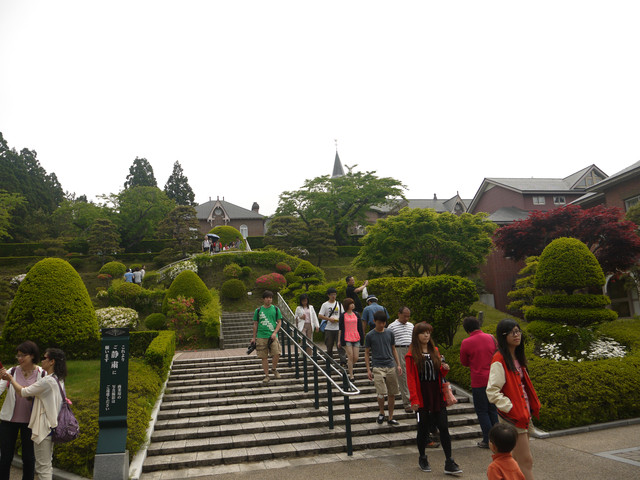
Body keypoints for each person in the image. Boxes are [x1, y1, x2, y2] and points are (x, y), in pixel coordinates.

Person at [405, 322, 462, 475]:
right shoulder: (411, 355)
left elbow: (438, 373)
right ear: (416, 335)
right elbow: (411, 378)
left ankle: (449, 461)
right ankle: (422, 457)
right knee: (423, 428)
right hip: (422, 393)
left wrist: (444, 369)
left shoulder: (434, 350)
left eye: (428, 332)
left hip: (436, 393)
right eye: (423, 332)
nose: (426, 335)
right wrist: (414, 399)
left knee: (443, 427)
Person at [1, 348, 67, 480]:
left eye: (45, 358)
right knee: (45, 465)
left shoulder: (47, 379)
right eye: (18, 355)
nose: (42, 360)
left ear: (52, 361)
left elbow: (23, 392)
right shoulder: (57, 379)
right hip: (48, 425)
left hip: (42, 426)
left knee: (41, 466)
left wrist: (11, 379)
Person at [487, 319, 540, 480]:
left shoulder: (516, 356)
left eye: (518, 331)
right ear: (503, 336)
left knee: (517, 459)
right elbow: (492, 391)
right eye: (512, 332)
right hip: (515, 415)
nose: (516, 335)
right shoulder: (499, 359)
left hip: (524, 412)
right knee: (526, 460)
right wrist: (510, 407)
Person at [0, 341, 45, 480]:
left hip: (31, 421)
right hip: (9, 420)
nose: (20, 358)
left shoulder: (42, 374)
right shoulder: (12, 371)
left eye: (23, 355)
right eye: (18, 355)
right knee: (5, 456)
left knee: (29, 457)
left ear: (32, 356)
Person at [460, 316, 499, 448]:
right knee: (493, 410)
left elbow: (464, 362)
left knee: (482, 411)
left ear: (466, 329)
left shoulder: (466, 342)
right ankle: (498, 439)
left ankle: (488, 440)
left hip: (478, 380)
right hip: (493, 378)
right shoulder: (491, 338)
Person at [364, 310, 402, 426]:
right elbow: (366, 352)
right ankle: (381, 412)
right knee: (381, 391)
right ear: (374, 321)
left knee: (392, 392)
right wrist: (368, 369)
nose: (381, 325)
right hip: (377, 366)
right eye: (379, 322)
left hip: (390, 365)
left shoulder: (389, 333)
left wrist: (398, 364)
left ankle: (390, 417)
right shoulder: (370, 335)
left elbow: (393, 349)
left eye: (383, 323)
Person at [251, 290, 282, 384]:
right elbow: (255, 324)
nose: (269, 299)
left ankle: (274, 368)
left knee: (277, 353)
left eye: (270, 298)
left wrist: (275, 332)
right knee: (263, 356)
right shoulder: (258, 310)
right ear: (263, 299)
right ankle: (267, 375)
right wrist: (254, 337)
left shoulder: (276, 309)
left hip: (273, 335)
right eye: (267, 298)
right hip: (261, 336)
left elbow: (279, 322)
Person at [387, 306, 414, 413]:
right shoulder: (392, 326)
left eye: (408, 316)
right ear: (399, 314)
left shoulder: (411, 325)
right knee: (403, 376)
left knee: (412, 375)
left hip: (411, 350)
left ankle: (414, 399)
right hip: (399, 350)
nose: (406, 319)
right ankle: (407, 402)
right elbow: (388, 342)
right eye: (404, 316)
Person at [318, 288, 347, 366]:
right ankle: (330, 361)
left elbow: (343, 315)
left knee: (340, 345)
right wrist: (329, 319)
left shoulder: (339, 304)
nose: (333, 296)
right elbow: (320, 315)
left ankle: (343, 361)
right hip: (329, 328)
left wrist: (339, 320)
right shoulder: (325, 305)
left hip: (338, 328)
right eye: (332, 295)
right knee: (329, 345)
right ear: (328, 295)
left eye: (334, 294)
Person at [338, 298, 364, 381]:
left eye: (353, 303)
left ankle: (349, 367)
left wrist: (362, 337)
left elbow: (360, 327)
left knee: (356, 357)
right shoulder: (343, 315)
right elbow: (340, 328)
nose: (352, 305)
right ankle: (351, 375)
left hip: (356, 336)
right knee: (350, 356)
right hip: (347, 337)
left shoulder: (356, 314)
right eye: (350, 304)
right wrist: (339, 340)